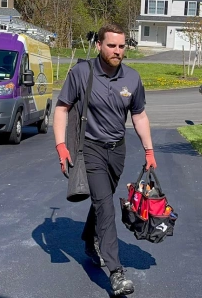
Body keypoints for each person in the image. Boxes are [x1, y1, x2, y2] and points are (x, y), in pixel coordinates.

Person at [53, 23, 157, 296]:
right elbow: (62, 108)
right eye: (111, 45)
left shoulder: (132, 78)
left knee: (103, 198)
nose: (117, 51)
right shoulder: (82, 73)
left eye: (122, 46)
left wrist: (149, 150)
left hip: (117, 150)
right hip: (91, 149)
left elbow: (139, 115)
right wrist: (61, 146)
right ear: (99, 45)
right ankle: (116, 272)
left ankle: (88, 239)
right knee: (105, 205)